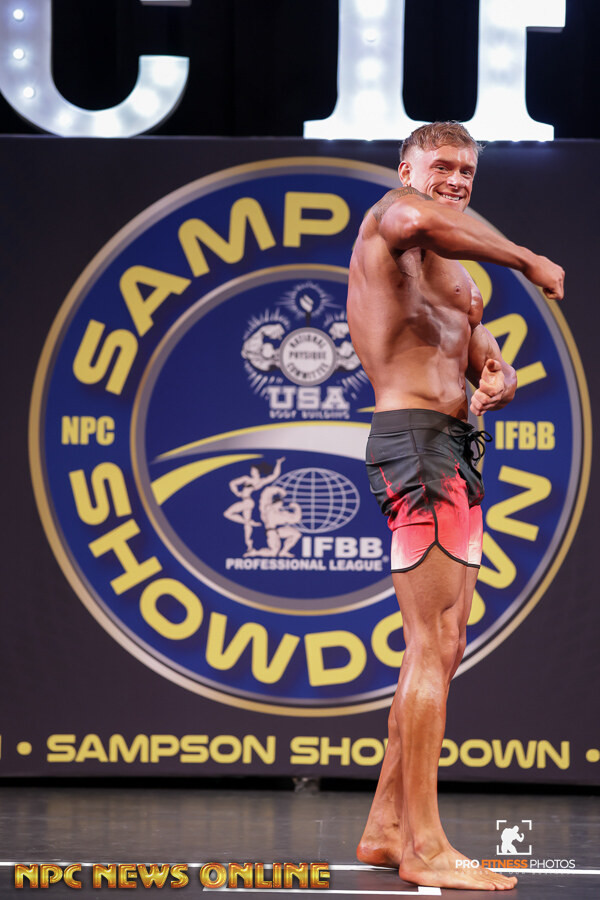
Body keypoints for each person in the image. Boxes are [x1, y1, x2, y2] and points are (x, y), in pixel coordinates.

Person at [347, 121, 564, 891]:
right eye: (442, 164)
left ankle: (385, 828)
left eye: (467, 169)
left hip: (456, 447)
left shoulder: (458, 278)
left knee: (446, 646)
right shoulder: (392, 220)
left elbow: (479, 353)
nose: (457, 179)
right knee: (430, 641)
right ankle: (426, 847)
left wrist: (499, 374)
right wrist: (527, 258)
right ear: (406, 168)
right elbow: (423, 219)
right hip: (414, 445)